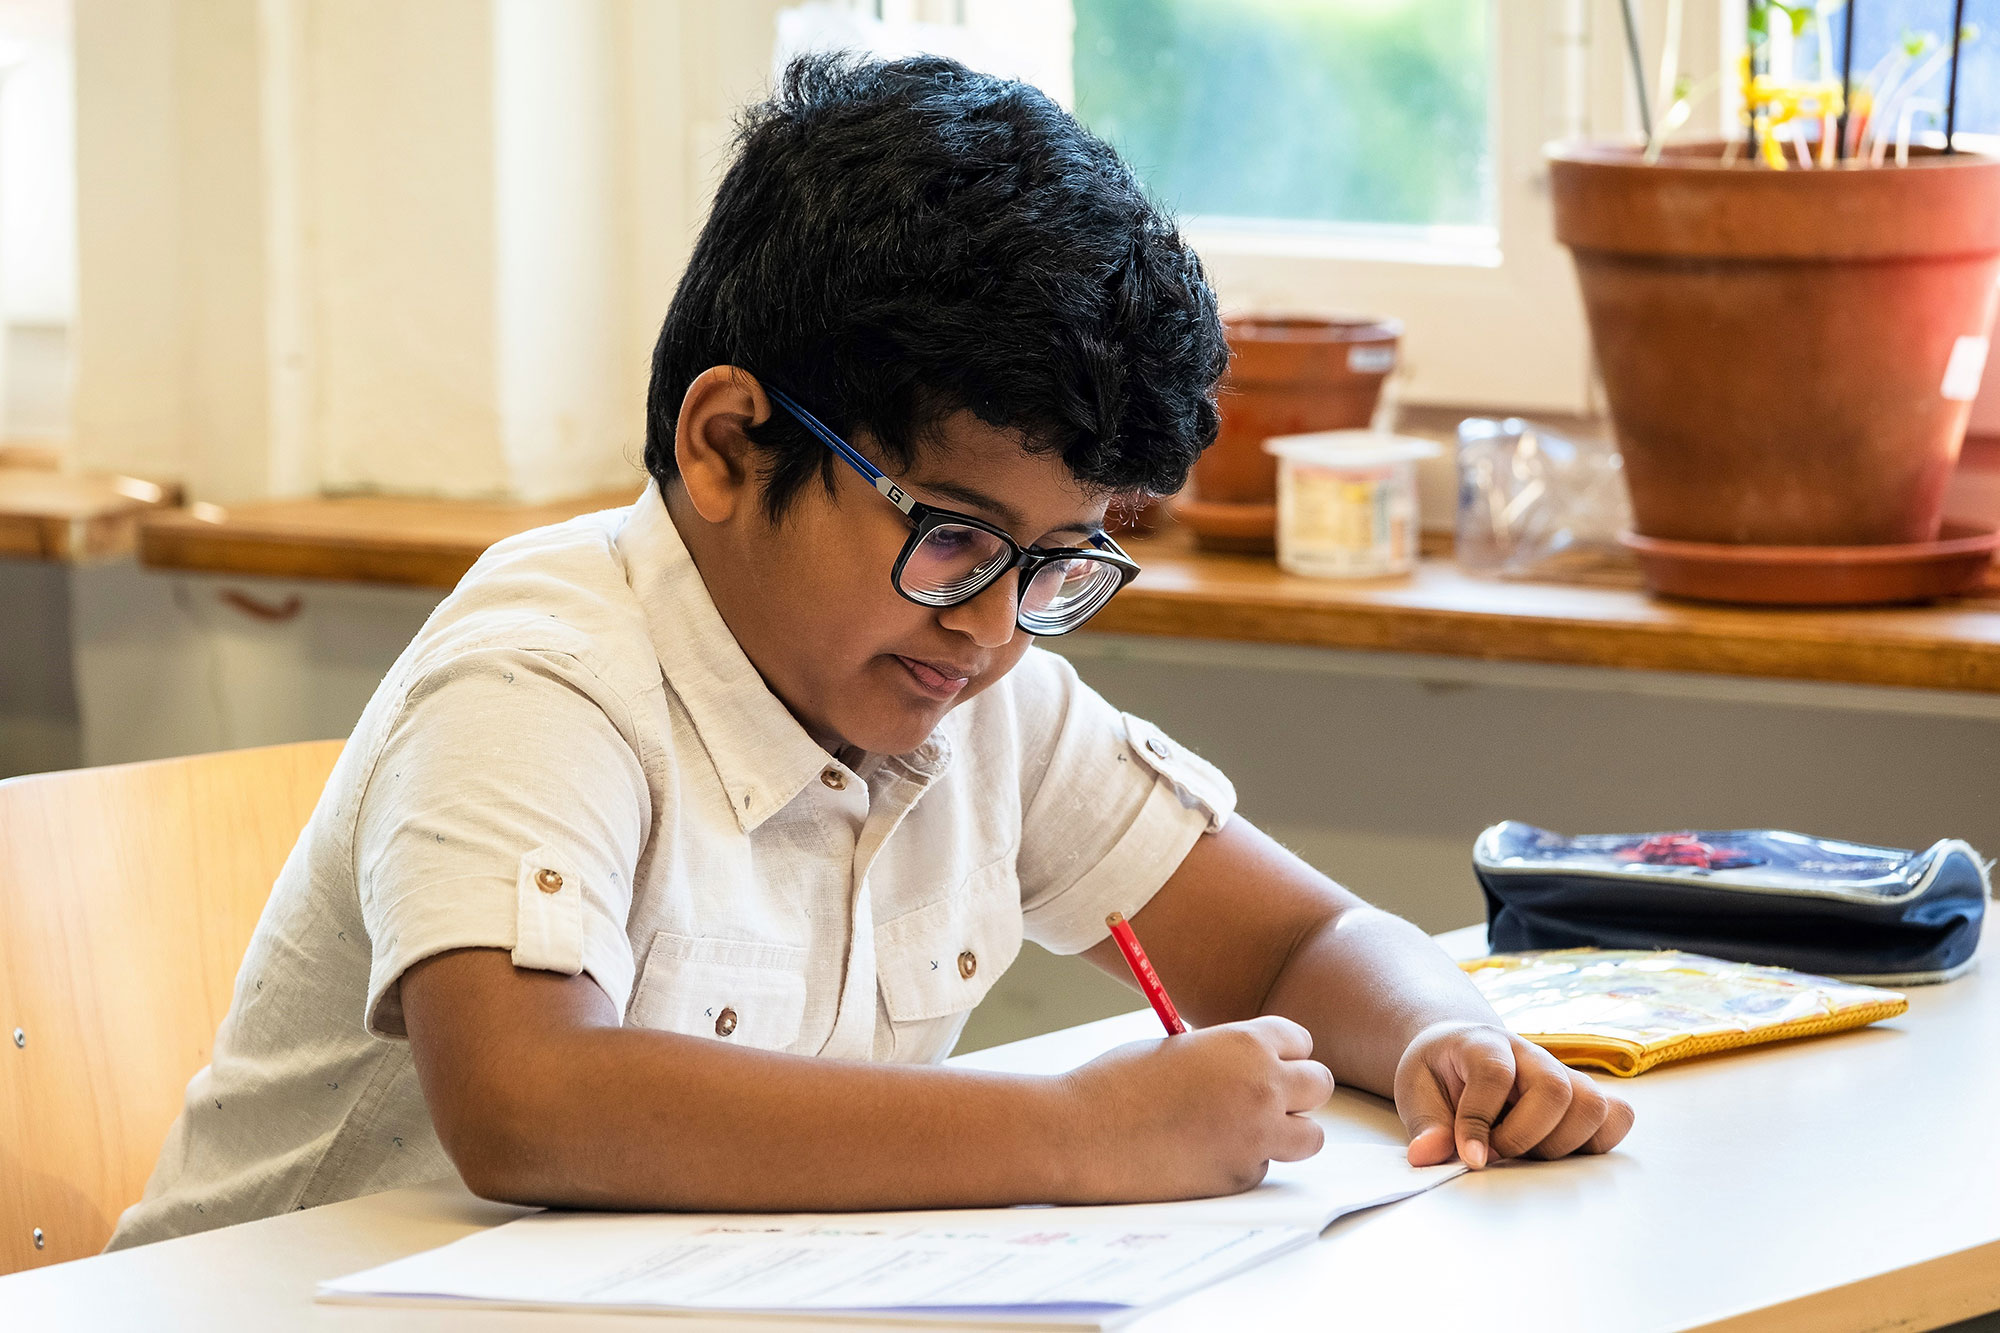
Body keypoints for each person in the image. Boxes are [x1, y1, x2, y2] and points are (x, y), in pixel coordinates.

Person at [108, 52, 1630, 1248]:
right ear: (726, 444)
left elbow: (1296, 941)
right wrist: (1075, 1133)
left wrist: (1444, 1033)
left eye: (1052, 562)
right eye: (955, 532)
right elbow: (530, 1102)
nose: (987, 625)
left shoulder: (974, 699)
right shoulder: (542, 671)